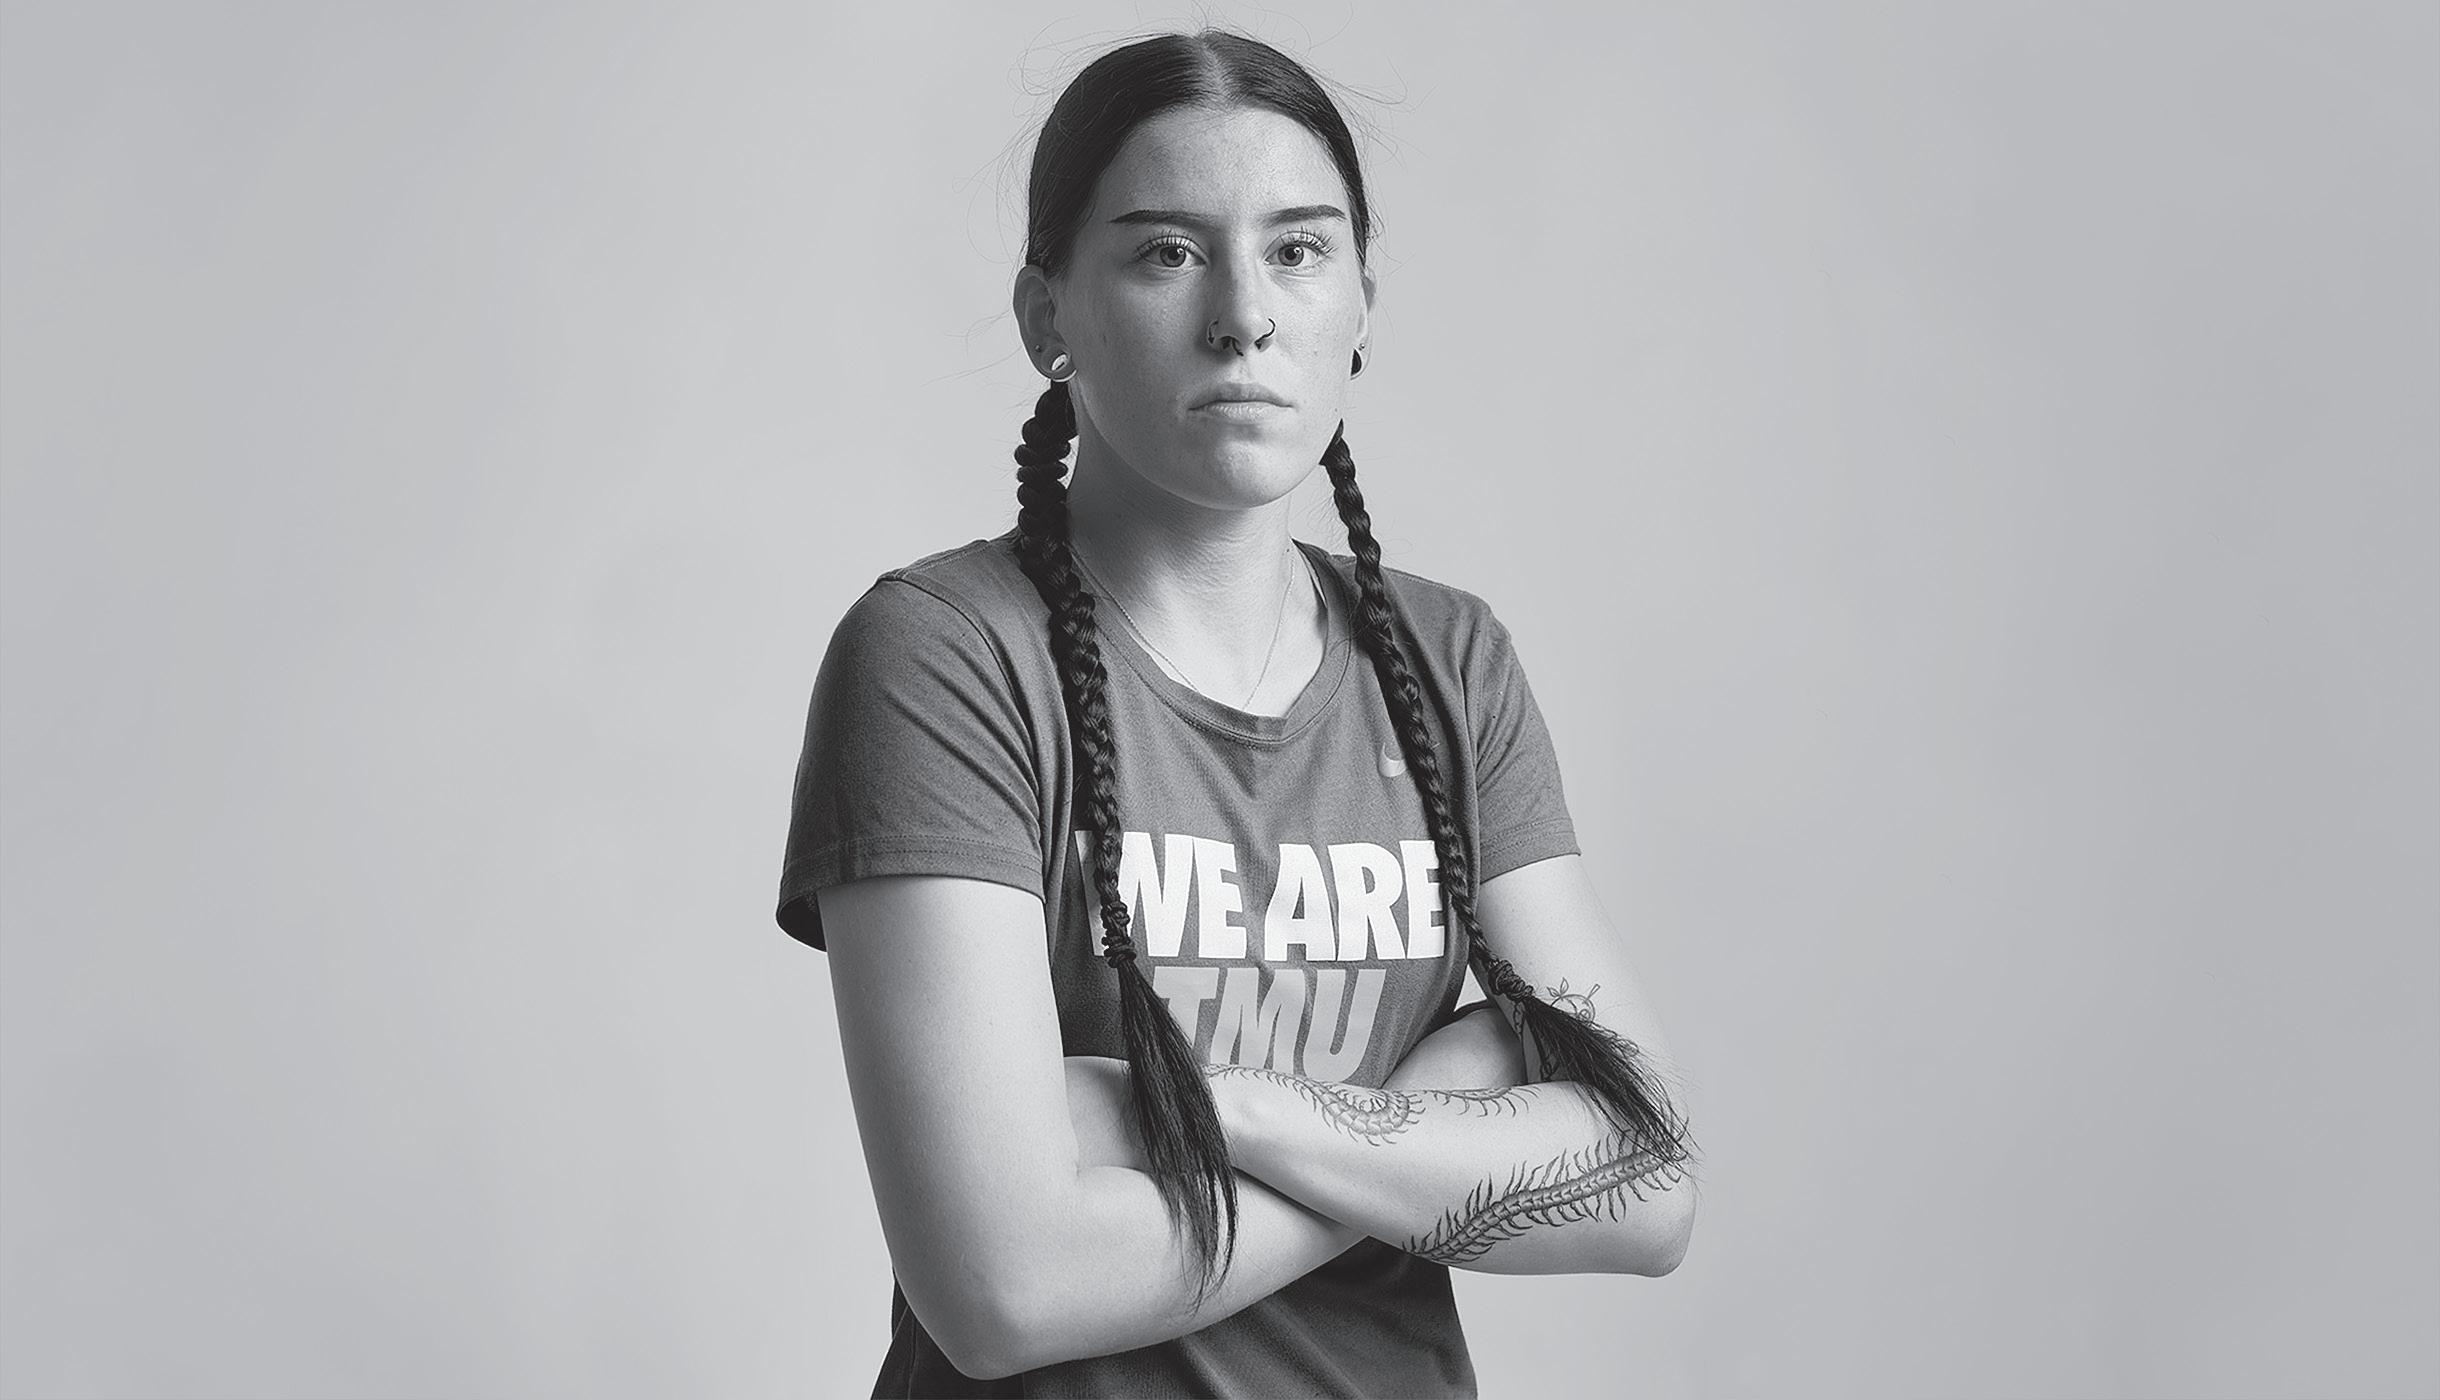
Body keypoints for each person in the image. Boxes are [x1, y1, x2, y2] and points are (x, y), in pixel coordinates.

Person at [774, 28, 1702, 1397]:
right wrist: (1435, 1115)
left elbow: (1647, 1182)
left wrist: (1209, 1113)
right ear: (1046, 318)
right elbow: (1004, 1289)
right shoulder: (945, 655)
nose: (1244, 316)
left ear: (1363, 302)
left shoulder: (1448, 661)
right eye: (1166, 253)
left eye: (1299, 250)